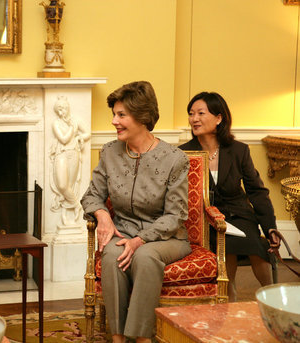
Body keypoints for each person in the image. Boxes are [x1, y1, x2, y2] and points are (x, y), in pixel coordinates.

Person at [81, 81, 191, 343]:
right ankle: (118, 337)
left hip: (168, 238)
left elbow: (175, 216)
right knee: (111, 256)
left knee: (145, 256)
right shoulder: (109, 152)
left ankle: (142, 338)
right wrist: (103, 215)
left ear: (142, 117)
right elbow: (91, 195)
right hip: (124, 232)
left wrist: (140, 240)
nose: (113, 121)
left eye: (121, 115)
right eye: (114, 114)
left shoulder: (175, 159)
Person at [179, 92, 281, 302]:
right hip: (206, 218)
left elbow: (256, 191)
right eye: (191, 114)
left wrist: (269, 226)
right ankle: (229, 303)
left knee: (256, 245)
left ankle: (274, 298)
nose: (194, 119)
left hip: (239, 214)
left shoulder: (238, 150)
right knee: (227, 252)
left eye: (200, 113)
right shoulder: (184, 153)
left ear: (219, 118)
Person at [50, 96, 90, 226]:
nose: (63, 111)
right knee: (62, 185)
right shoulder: (56, 123)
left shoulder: (75, 120)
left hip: (74, 154)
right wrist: (73, 129)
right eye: (60, 109)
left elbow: (87, 133)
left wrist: (80, 137)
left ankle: (68, 209)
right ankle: (77, 205)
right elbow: (63, 139)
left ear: (68, 108)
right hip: (62, 154)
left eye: (64, 108)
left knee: (71, 185)